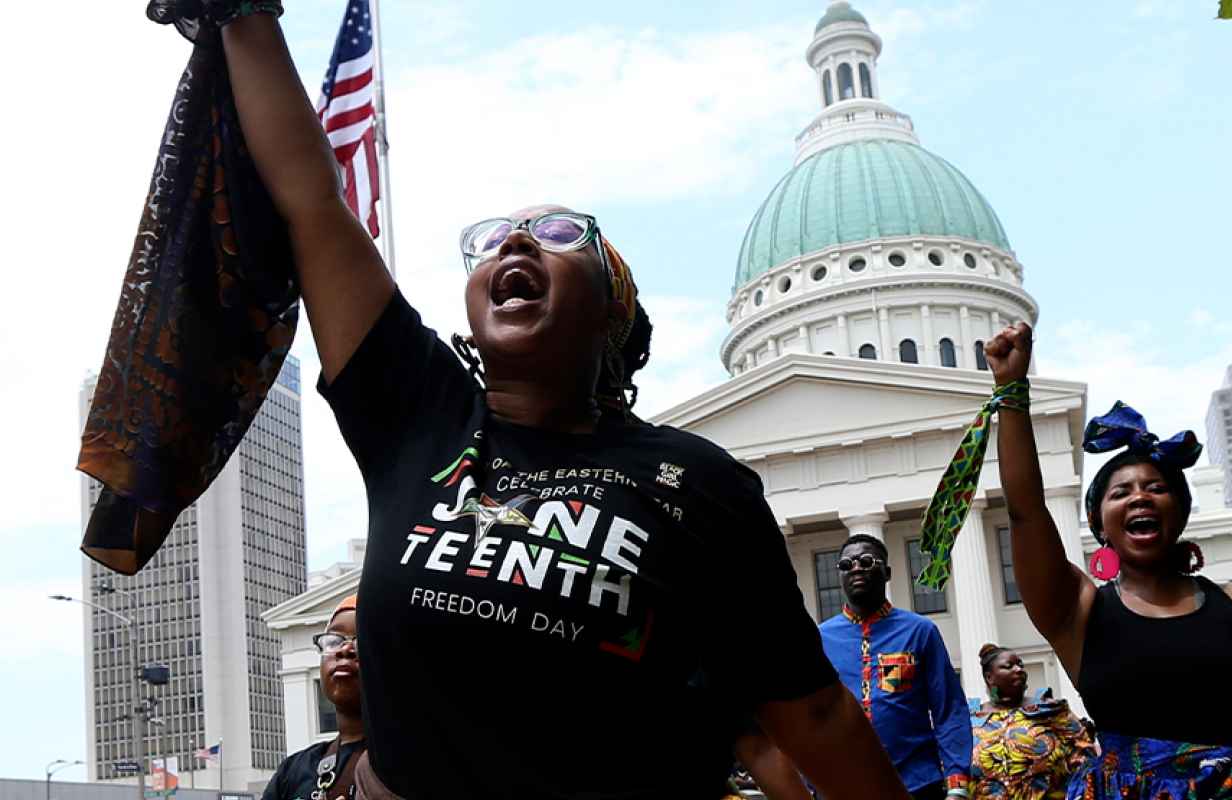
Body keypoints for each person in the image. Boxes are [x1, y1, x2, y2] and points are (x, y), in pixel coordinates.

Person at [209, 5, 909, 798]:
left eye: (556, 232)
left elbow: (811, 712)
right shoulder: (420, 415)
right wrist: (244, 19)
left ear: (614, 309)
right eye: (496, 238)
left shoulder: (700, 483)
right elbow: (310, 198)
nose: (515, 242)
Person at [980, 322, 1232, 799]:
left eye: (1156, 488)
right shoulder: (1077, 611)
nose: (1140, 498)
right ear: (1099, 521)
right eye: (1122, 492)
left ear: (1180, 511)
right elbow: (1026, 509)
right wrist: (1012, 392)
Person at [819, 534, 973, 799]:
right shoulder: (820, 639)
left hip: (916, 784)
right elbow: (810, 717)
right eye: (846, 564)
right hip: (841, 787)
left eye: (866, 561)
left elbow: (948, 709)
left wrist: (957, 782)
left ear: (887, 572)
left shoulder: (920, 631)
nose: (856, 567)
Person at [262, 595, 365, 800]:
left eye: (362, 638)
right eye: (334, 641)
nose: (345, 649)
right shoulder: (292, 773)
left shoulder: (414, 761)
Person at [969, 644, 1095, 800]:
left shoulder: (1050, 709)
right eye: (1009, 666)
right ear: (989, 677)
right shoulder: (970, 718)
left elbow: (1084, 753)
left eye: (1020, 665)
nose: (1018, 669)